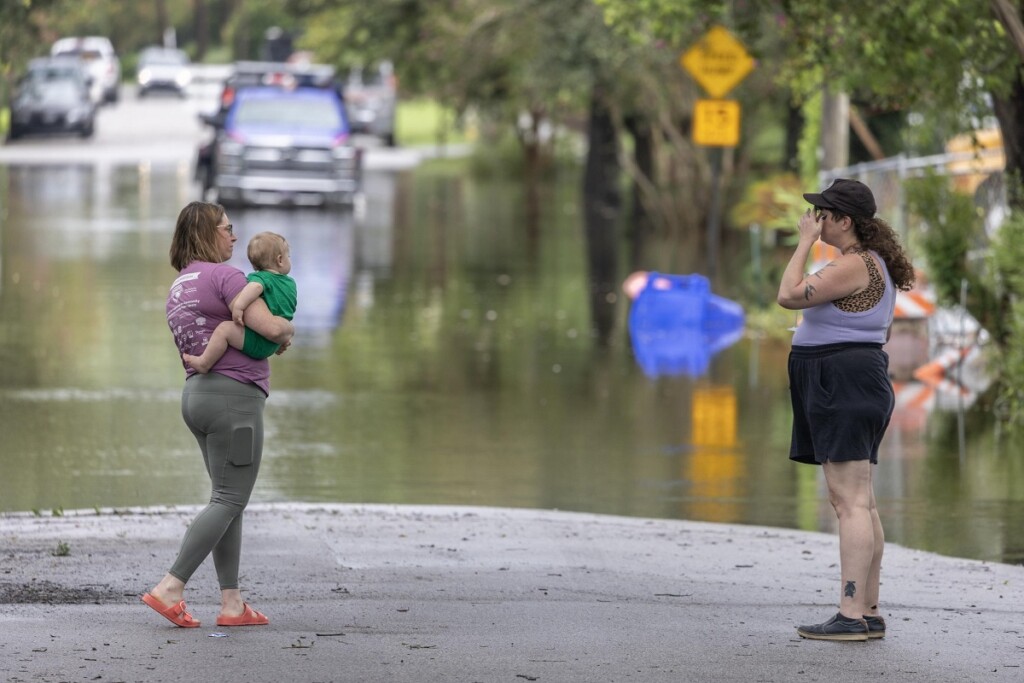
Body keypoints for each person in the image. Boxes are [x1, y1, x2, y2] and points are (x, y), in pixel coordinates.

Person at [142, 202, 294, 629]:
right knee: (229, 498)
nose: (233, 236)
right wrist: (288, 331)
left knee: (229, 500)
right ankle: (170, 587)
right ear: (208, 234)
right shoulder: (227, 277)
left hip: (197, 396)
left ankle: (232, 603)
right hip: (234, 400)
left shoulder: (180, 284)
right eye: (227, 229)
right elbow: (271, 327)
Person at [776, 178, 915, 642]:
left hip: (843, 383)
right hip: (854, 380)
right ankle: (868, 609)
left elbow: (789, 295)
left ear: (844, 221)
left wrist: (802, 243)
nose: (815, 220)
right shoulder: (873, 264)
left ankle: (851, 613)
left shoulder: (854, 265)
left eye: (822, 213)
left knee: (849, 501)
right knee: (862, 500)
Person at [183, 231, 296, 374]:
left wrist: (239, 306)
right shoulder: (290, 284)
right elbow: (285, 311)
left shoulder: (261, 278)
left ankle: (204, 362)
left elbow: (255, 287)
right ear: (280, 260)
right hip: (276, 343)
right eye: (289, 256)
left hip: (258, 341)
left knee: (224, 329)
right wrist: (285, 336)